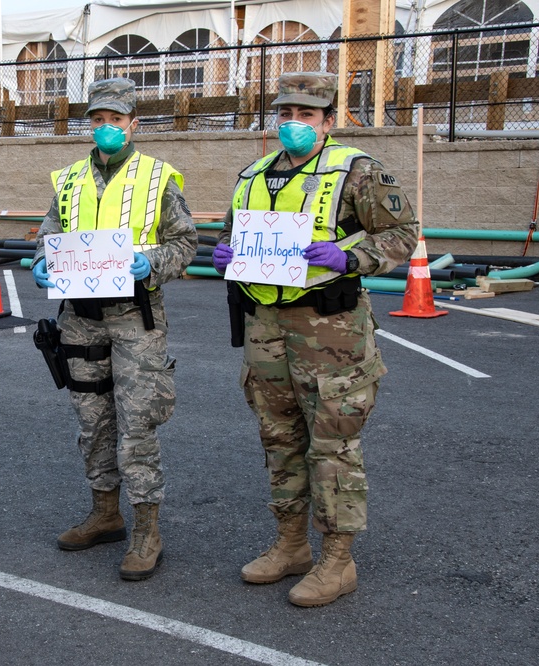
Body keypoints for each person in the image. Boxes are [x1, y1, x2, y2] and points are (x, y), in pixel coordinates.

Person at [213, 72, 418, 606]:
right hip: (265, 327)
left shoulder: (358, 173)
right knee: (279, 441)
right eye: (285, 113)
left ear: (328, 122)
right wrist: (224, 253)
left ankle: (337, 562)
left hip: (330, 332)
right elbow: (233, 233)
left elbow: (402, 234)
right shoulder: (254, 174)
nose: (294, 124)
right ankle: (290, 546)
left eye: (306, 114)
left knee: (332, 444)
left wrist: (350, 257)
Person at [31, 78, 197, 581]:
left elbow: (186, 243)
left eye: (115, 120)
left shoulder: (158, 178)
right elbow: (48, 234)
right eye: (98, 120)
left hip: (134, 319)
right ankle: (106, 513)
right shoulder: (70, 179)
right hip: (80, 319)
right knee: (93, 420)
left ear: (133, 124)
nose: (106, 128)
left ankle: (147, 529)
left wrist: (154, 263)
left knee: (138, 421)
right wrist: (42, 261)